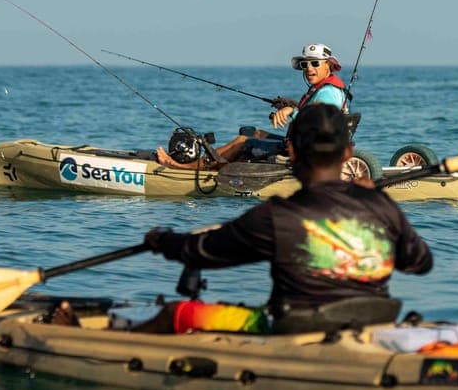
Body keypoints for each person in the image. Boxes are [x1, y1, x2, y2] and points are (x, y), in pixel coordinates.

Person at [136, 103, 433, 334]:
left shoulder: (278, 217)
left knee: (177, 313)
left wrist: (162, 240)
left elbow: (204, 251)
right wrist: (375, 202)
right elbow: (420, 262)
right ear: (348, 152)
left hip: (296, 328)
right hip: (374, 323)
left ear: (292, 151)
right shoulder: (382, 207)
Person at [155, 43, 349, 169]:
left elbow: (318, 119)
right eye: (305, 64)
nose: (309, 69)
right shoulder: (323, 89)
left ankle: (193, 168)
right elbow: (310, 111)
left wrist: (291, 111)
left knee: (242, 140)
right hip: (300, 143)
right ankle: (216, 163)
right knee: (252, 132)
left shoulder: (328, 92)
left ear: (328, 66)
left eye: (315, 63)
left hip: (304, 151)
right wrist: (288, 105)